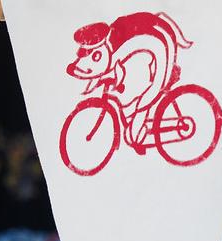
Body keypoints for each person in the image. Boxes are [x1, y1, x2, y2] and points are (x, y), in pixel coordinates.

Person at [65, 12, 192, 149]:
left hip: (162, 45)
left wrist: (114, 82)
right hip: (149, 40)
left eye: (95, 56)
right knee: (128, 94)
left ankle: (138, 133)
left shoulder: (119, 51)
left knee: (146, 99)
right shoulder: (111, 50)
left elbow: (118, 75)